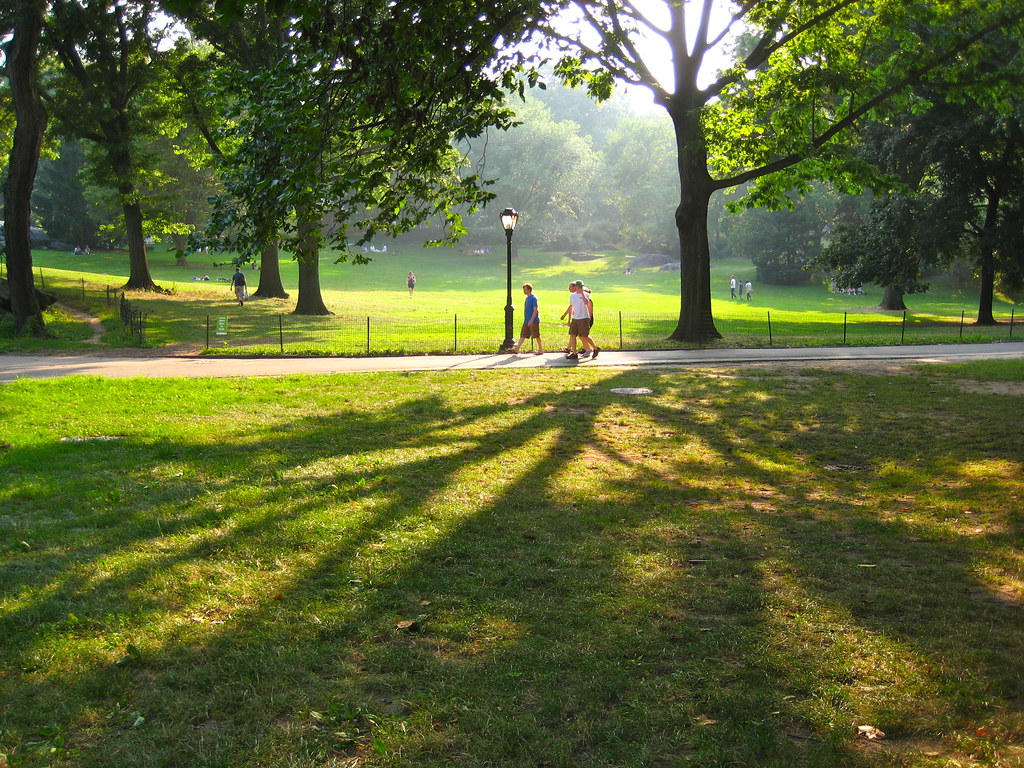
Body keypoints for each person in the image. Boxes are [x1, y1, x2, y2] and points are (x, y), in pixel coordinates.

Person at [559, 280, 599, 360]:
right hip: (575, 318)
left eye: (581, 286)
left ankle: (595, 348)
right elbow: (572, 306)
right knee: (572, 334)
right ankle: (574, 353)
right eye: (579, 286)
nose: (580, 288)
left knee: (584, 336)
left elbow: (586, 302)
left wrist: (582, 293)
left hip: (584, 318)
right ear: (576, 287)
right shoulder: (572, 296)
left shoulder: (586, 295)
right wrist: (569, 318)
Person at [509, 283, 543, 355]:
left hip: (533, 321)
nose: (523, 291)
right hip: (527, 320)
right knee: (523, 334)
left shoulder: (534, 298)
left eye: (525, 289)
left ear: (529, 289)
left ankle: (540, 349)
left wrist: (531, 320)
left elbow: (535, 310)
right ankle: (517, 349)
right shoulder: (527, 298)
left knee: (536, 335)